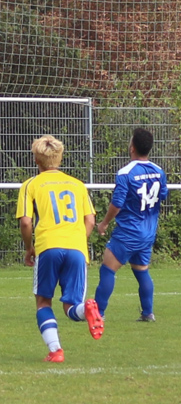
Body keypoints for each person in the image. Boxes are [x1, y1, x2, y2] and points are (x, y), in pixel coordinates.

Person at [16, 135, 103, 363]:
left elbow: (25, 222)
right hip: (77, 248)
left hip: (48, 247)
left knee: (43, 302)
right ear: (60, 158)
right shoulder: (77, 185)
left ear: (36, 160)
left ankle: (56, 351)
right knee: (71, 307)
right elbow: (90, 220)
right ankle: (87, 309)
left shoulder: (31, 184)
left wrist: (29, 247)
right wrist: (77, 239)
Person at [94, 128, 167, 321]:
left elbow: (117, 203)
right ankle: (148, 313)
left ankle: (98, 314)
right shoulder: (158, 171)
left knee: (107, 269)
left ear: (132, 147)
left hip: (128, 231)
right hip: (148, 231)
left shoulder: (126, 172)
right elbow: (163, 195)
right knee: (141, 271)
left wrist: (104, 223)